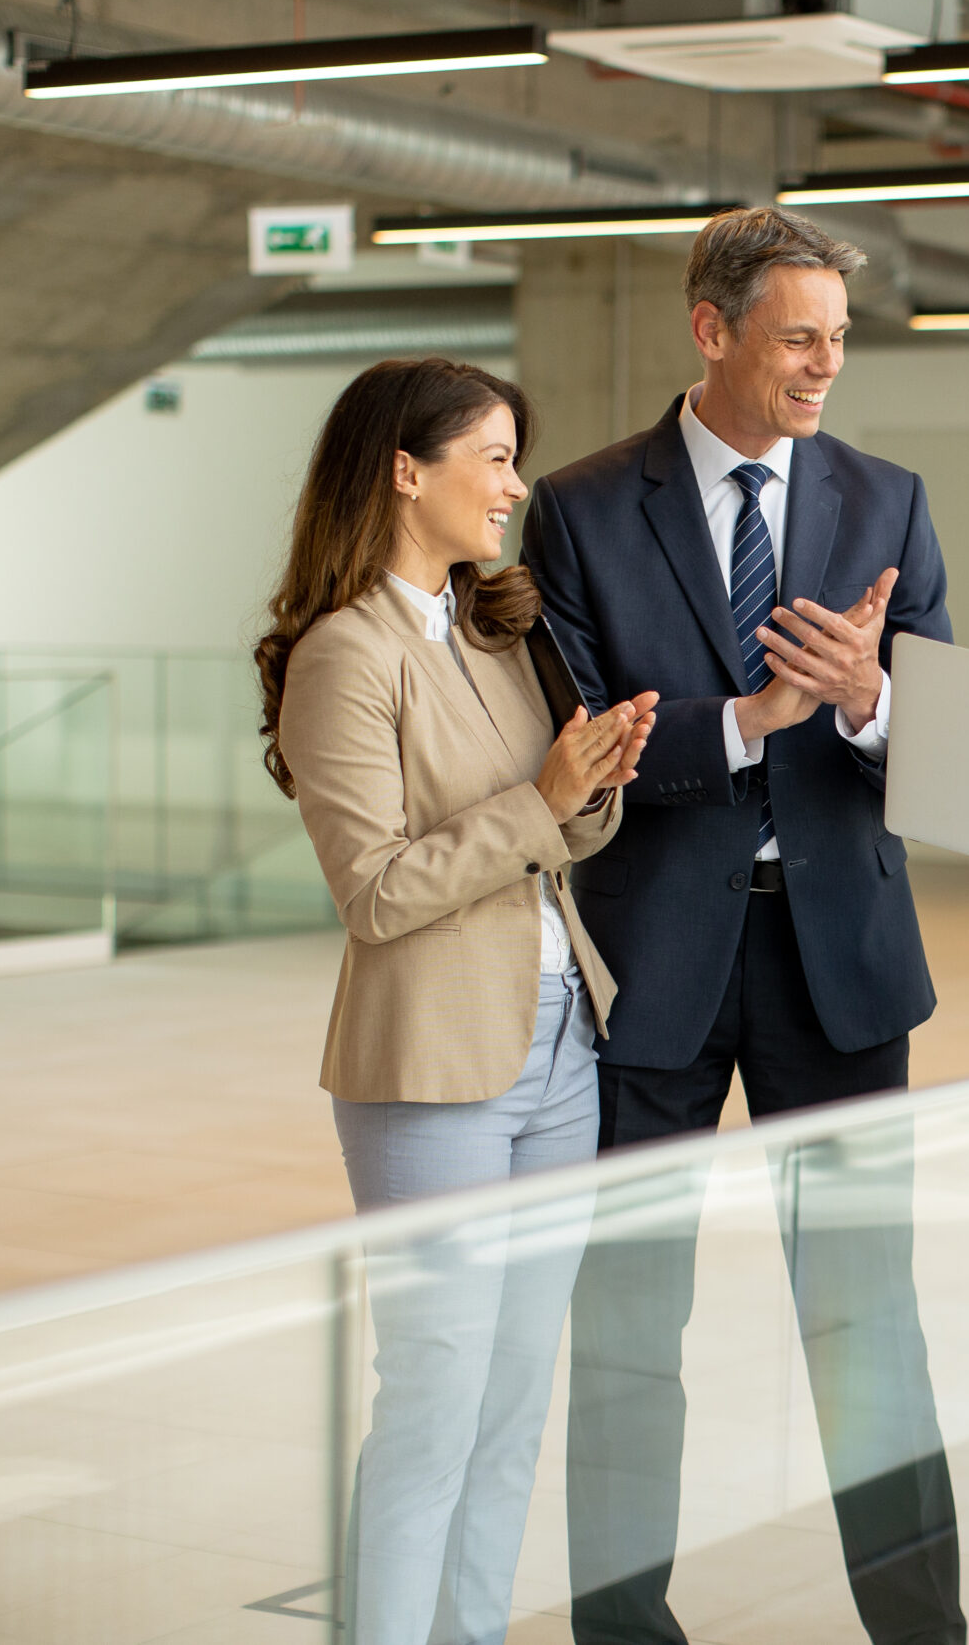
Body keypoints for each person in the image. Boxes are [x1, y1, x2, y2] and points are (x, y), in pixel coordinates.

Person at [524, 206, 964, 1645]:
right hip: (658, 965)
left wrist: (869, 701)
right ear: (711, 330)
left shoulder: (886, 499)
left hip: (843, 967)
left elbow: (946, 736)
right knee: (631, 1326)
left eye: (839, 337)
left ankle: (921, 1628)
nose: (825, 364)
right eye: (799, 336)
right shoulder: (583, 510)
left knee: (868, 1326)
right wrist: (742, 719)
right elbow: (579, 743)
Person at [256, 357, 657, 1645]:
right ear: (403, 470)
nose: (515, 486)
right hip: (430, 1063)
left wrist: (588, 788)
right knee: (432, 1405)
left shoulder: (490, 631)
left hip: (557, 1051)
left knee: (510, 1407)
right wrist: (537, 805)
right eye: (491, 456)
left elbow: (548, 838)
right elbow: (372, 892)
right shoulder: (344, 654)